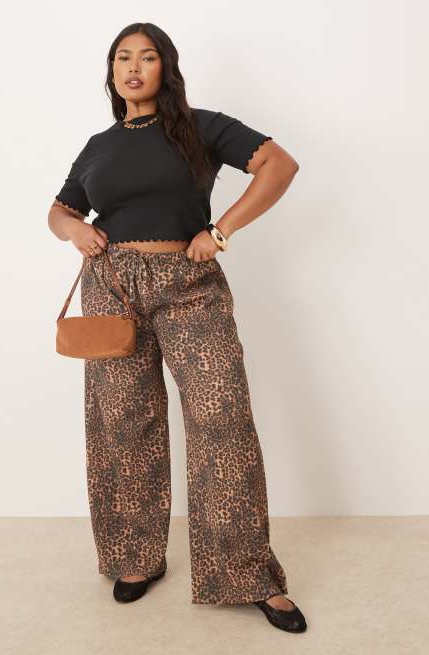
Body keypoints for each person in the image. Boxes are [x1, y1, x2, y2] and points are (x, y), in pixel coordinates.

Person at [48, 22, 306, 634]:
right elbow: (59, 209)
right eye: (122, 57)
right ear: (112, 71)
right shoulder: (98, 145)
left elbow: (279, 164)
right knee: (123, 424)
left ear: (167, 67)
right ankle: (134, 558)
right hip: (111, 286)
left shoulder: (200, 125)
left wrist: (220, 231)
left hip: (189, 283)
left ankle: (247, 573)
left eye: (147, 56)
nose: (133, 67)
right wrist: (74, 228)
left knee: (222, 421)